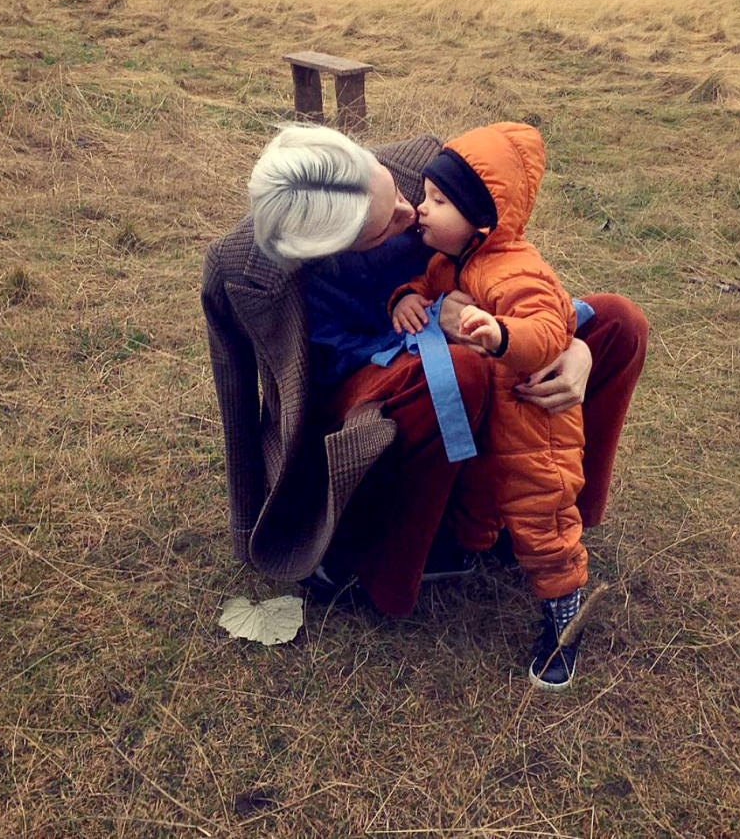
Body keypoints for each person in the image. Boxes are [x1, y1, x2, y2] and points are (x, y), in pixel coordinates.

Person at [201, 124, 648, 673]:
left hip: (468, 337)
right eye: (386, 224)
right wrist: (257, 528)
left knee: (619, 323)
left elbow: (506, 264)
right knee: (455, 372)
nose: (411, 214)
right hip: (358, 379)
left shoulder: (422, 166)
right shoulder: (241, 268)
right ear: (333, 247)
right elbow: (237, 403)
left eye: (397, 193)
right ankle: (408, 558)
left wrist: (570, 341)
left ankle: (552, 518)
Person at [389, 122, 590, 689]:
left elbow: (550, 330)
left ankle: (563, 616)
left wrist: (501, 335)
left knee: (541, 515)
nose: (422, 209)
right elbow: (423, 286)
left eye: (439, 200)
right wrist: (405, 297)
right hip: (489, 420)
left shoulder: (516, 269)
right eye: (425, 195)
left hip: (536, 423)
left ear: (481, 219)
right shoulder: (449, 262)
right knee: (481, 493)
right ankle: (475, 548)